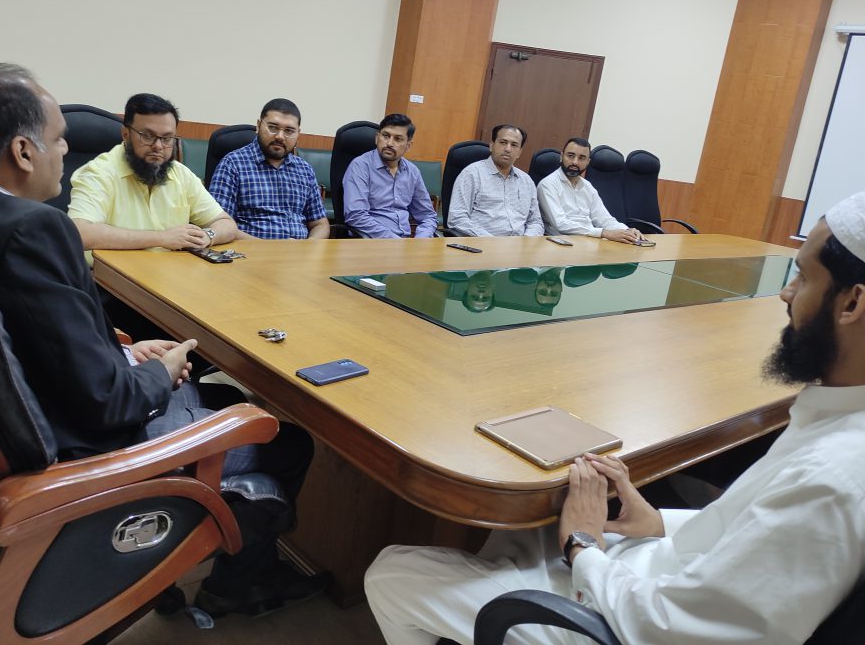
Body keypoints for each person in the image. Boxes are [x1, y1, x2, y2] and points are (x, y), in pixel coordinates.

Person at [365, 190, 865, 645]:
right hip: (660, 574)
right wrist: (658, 522)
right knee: (543, 514)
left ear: (852, 302)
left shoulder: (832, 478)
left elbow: (672, 629)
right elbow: (746, 528)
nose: (785, 293)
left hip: (628, 623)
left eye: (803, 277)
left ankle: (502, 599)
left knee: (391, 573)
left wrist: (582, 546)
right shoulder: (841, 418)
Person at [0, 64, 324, 619]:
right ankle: (237, 584)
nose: (65, 149)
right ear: (22, 152)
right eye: (58, 139)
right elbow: (109, 402)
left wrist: (122, 351)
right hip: (102, 442)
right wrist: (159, 371)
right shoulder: (33, 229)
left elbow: (40, 338)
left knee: (227, 396)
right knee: (286, 439)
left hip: (65, 402)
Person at [68, 92, 238, 257]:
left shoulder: (181, 174)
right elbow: (81, 233)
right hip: (111, 274)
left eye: (167, 138)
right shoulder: (99, 172)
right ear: (126, 135)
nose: (158, 146)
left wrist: (208, 235)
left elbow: (226, 223)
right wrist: (162, 238)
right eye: (148, 136)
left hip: (170, 271)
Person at [208, 98, 329, 239]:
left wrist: (308, 246)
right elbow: (220, 224)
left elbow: (320, 224)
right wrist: (272, 248)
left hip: (300, 251)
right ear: (258, 126)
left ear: (298, 134)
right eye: (273, 127)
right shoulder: (233, 164)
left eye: (289, 131)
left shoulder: (305, 170)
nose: (280, 137)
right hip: (250, 250)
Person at [341, 113, 438, 238]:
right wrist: (394, 241)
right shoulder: (360, 166)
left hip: (405, 242)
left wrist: (421, 239)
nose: (389, 143)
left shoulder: (412, 172)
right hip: (371, 241)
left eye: (397, 139)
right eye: (386, 136)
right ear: (377, 138)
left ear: (408, 145)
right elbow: (356, 216)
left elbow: (428, 216)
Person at [537, 137, 644, 244]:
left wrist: (626, 230)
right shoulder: (548, 184)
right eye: (570, 156)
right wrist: (603, 233)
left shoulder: (588, 187)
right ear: (561, 157)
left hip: (588, 241)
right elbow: (561, 224)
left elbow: (604, 219)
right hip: (561, 243)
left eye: (581, 158)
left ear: (588, 162)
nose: (575, 162)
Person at [447, 124, 544, 237]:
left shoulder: (526, 181)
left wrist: (526, 240)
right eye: (503, 142)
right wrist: (491, 241)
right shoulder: (472, 174)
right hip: (482, 243)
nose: (508, 149)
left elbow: (535, 222)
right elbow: (457, 218)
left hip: (520, 244)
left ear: (519, 152)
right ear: (492, 146)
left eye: (514, 145)